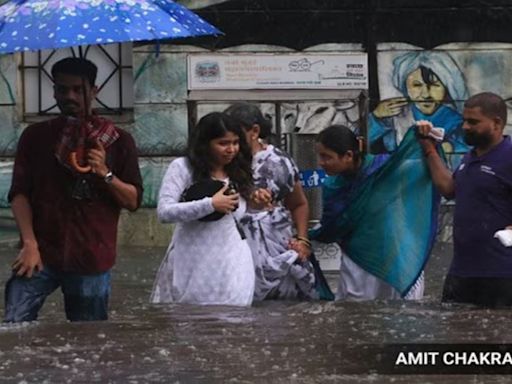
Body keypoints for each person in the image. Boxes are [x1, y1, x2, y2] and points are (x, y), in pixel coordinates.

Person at [4, 57, 143, 322]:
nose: (70, 96)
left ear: (94, 91)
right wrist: (29, 243)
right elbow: (19, 193)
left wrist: (105, 173)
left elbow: (134, 201)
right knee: (14, 325)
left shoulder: (118, 141)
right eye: (62, 89)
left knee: (87, 340)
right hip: (40, 252)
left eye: (78, 90)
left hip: (91, 256)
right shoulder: (36, 137)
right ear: (54, 91)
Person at [310, 125, 435, 301]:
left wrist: (427, 139)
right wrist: (307, 237)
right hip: (359, 260)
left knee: (403, 315)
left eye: (326, 156)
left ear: (348, 155)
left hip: (394, 254)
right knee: (354, 314)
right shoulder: (333, 186)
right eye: (319, 156)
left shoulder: (385, 169)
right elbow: (332, 225)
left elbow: (420, 167)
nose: (321, 162)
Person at [224, 103, 333, 300]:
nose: (231, 145)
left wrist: (302, 240)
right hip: (234, 246)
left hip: (277, 245)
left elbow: (298, 204)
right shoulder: (222, 161)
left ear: (254, 131)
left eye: (236, 137)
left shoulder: (279, 162)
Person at [150, 112, 255, 306]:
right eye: (223, 143)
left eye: (235, 142)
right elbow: (165, 212)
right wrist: (210, 205)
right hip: (192, 259)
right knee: (191, 322)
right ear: (205, 143)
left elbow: (240, 215)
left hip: (232, 260)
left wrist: (258, 203)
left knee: (234, 320)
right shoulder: (182, 168)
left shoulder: (238, 171)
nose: (231, 149)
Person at [418, 92, 512, 307]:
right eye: (464, 120)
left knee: (499, 337)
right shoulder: (470, 157)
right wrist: (429, 148)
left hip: (502, 274)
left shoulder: (509, 156)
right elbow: (449, 189)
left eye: (473, 122)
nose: (466, 127)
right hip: (462, 270)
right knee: (456, 335)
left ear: (496, 123)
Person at [369, 51, 469, 159]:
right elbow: (362, 143)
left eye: (435, 85)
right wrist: (376, 117)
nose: (425, 95)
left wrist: (452, 147)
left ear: (447, 87)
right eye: (416, 85)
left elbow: (471, 147)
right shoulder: (395, 116)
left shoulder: (456, 121)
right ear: (405, 87)